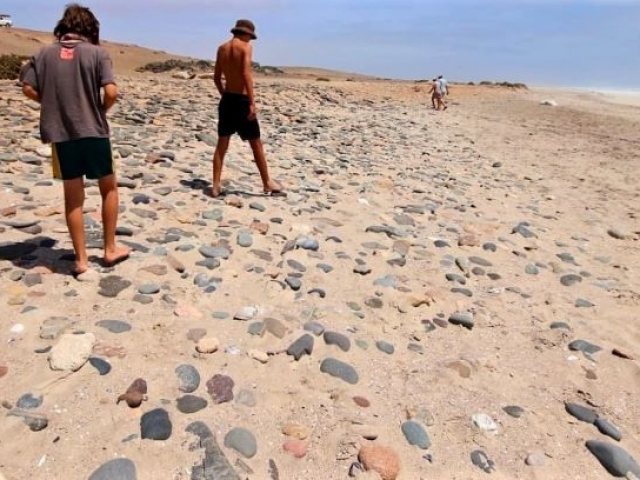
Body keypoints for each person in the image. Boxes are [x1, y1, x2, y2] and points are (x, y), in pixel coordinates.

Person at [20, 3, 130, 275]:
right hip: (93, 130)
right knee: (109, 188)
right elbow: (112, 92)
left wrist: (52, 102)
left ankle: (81, 260)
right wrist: (100, 110)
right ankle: (109, 249)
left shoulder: (43, 53)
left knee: (73, 197)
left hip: (61, 133)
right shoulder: (97, 53)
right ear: (90, 28)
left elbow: (27, 87)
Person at [211, 19, 283, 198]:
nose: (250, 40)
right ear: (246, 34)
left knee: (222, 143)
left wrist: (224, 95)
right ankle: (267, 182)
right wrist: (252, 102)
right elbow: (246, 74)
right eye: (250, 36)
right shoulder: (245, 47)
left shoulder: (222, 48)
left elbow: (216, 78)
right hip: (242, 100)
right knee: (256, 143)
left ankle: (215, 185)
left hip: (227, 100)